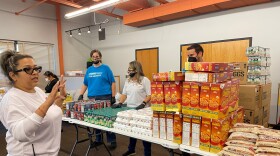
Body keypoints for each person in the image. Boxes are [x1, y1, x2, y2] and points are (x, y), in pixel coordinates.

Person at [0, 50, 66, 155]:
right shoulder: (11, 99)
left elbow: (50, 113)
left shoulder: (38, 91)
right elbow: (20, 134)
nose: (35, 72)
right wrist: (48, 102)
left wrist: (61, 98)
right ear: (13, 75)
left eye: (36, 68)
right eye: (28, 69)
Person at [78, 49, 117, 148]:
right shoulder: (89, 70)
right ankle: (98, 139)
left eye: (97, 56)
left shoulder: (106, 68)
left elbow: (113, 82)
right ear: (91, 58)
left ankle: (112, 140)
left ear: (100, 57)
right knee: (96, 119)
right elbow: (85, 83)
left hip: (105, 96)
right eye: (93, 56)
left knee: (108, 119)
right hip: (92, 97)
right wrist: (81, 94)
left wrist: (113, 96)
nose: (95, 58)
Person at [112, 61, 151, 156]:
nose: (129, 71)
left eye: (130, 69)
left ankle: (147, 153)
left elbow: (150, 94)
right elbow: (124, 94)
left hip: (142, 110)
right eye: (128, 69)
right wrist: (120, 103)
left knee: (144, 134)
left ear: (136, 70)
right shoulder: (128, 81)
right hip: (130, 109)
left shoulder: (144, 80)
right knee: (131, 131)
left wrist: (143, 103)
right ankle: (131, 149)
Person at [184, 43, 204, 156]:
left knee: (201, 132)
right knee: (189, 130)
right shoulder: (188, 67)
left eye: (192, 54)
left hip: (203, 105)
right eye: (188, 55)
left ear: (200, 54)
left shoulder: (208, 67)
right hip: (190, 103)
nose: (190, 57)